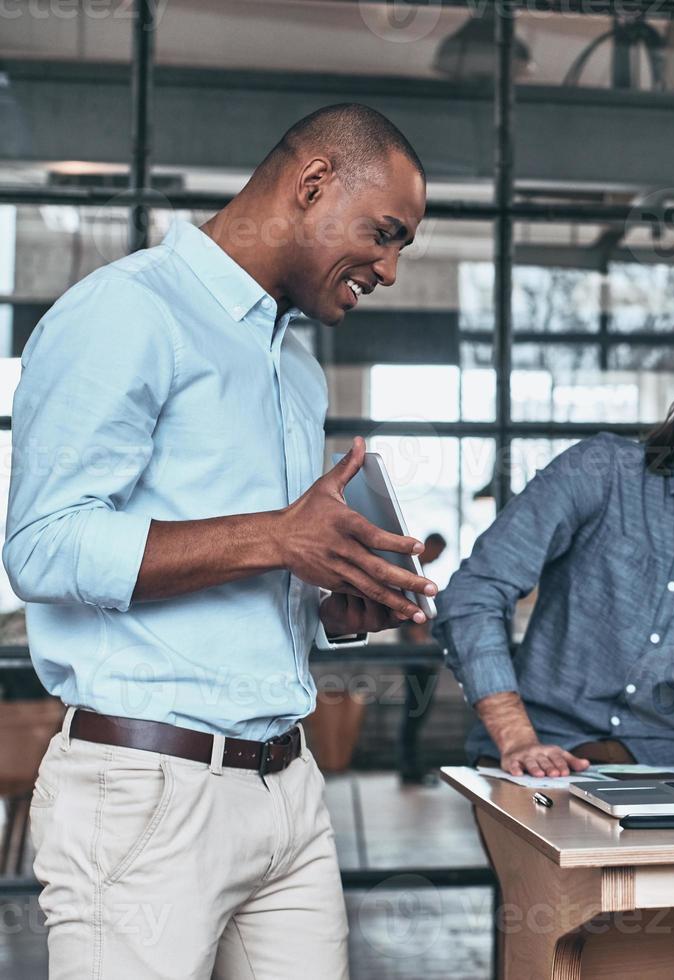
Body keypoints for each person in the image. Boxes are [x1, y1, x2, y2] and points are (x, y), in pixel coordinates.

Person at [4, 104, 432, 979]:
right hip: (145, 791)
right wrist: (280, 537)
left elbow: (258, 567)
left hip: (287, 785)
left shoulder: (294, 366)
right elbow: (42, 547)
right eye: (384, 235)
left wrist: (335, 603)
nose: (388, 269)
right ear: (313, 181)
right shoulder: (126, 313)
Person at [435, 321, 674, 776]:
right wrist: (516, 735)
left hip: (663, 767)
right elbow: (473, 591)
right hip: (533, 751)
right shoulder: (600, 469)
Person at [399, 530, 447, 785]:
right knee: (415, 714)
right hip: (417, 660)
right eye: (438, 551)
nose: (438, 557)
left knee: (417, 714)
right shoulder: (413, 578)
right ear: (429, 546)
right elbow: (414, 621)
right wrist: (422, 644)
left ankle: (413, 769)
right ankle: (410, 771)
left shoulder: (419, 576)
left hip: (421, 658)